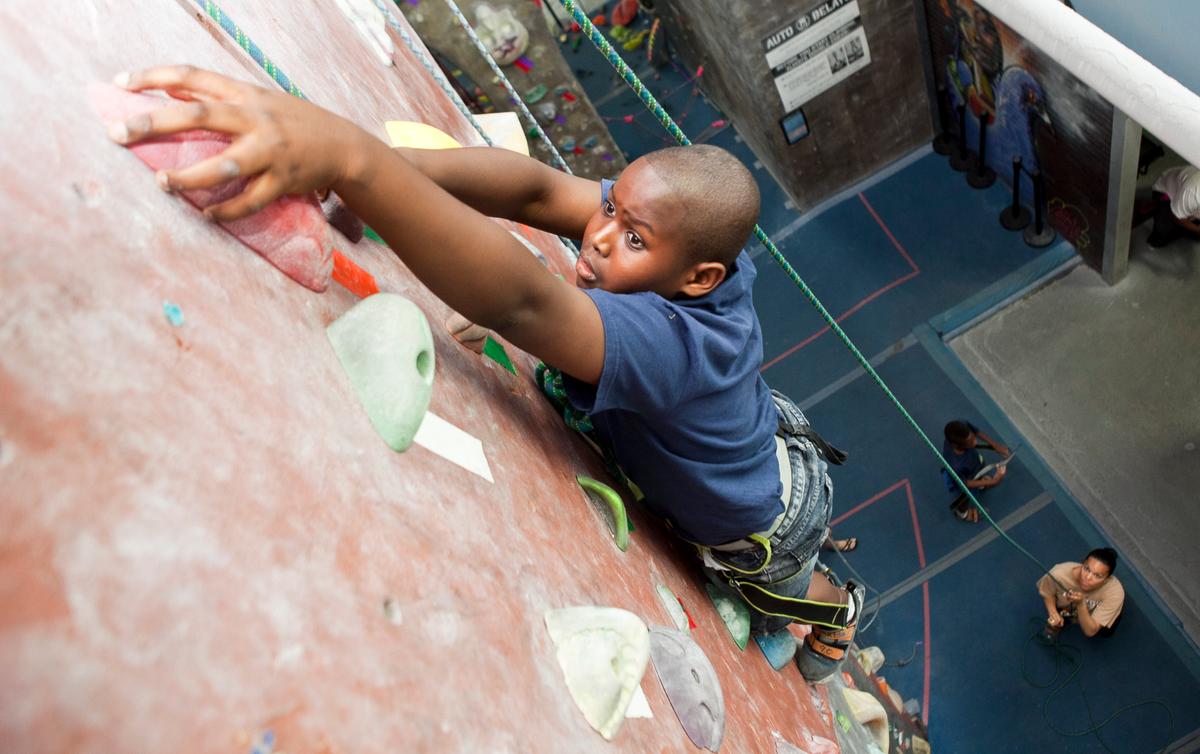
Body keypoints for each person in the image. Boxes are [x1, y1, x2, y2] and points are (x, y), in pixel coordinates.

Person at [105, 66, 862, 682]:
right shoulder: (683, 239)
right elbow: (539, 191)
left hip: (765, 525)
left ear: (699, 278)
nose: (598, 238)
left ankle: (842, 611)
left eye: (632, 237)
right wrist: (386, 168)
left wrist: (352, 161)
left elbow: (523, 302)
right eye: (612, 210)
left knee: (785, 595)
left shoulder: (676, 345)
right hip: (746, 430)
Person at [1036, 547, 1125, 640]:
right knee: (1061, 615)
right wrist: (1053, 612)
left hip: (1094, 613)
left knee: (1105, 632)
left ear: (1106, 580)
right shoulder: (1058, 574)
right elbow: (1047, 593)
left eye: (1097, 576)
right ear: (1082, 564)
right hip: (1069, 607)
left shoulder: (1115, 592)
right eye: (1086, 569)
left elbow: (1090, 631)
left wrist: (1081, 603)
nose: (1088, 577)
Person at [941, 420, 1009, 522]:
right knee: (966, 494)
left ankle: (981, 483)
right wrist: (995, 480)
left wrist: (996, 445)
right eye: (971, 442)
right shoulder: (956, 465)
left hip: (973, 464)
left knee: (979, 470)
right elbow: (966, 483)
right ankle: (962, 513)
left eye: (973, 438)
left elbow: (976, 432)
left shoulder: (962, 427)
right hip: (962, 479)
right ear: (957, 446)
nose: (975, 442)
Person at [1146, 165, 1200, 248]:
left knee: (1193, 231)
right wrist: (1197, 229)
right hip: (1166, 191)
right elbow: (1177, 218)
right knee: (1159, 238)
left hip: (1188, 197)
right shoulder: (1193, 191)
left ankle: (1185, 223)